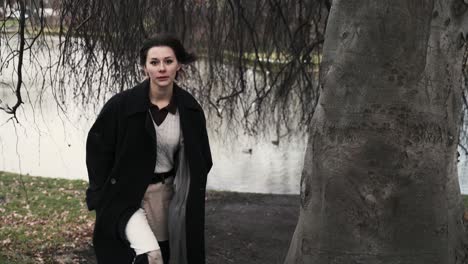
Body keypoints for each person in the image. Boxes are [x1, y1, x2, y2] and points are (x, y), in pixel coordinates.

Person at [85, 33, 213, 264]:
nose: (161, 68)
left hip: (168, 197)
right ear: (144, 68)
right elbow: (97, 150)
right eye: (154, 62)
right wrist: (99, 195)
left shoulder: (190, 110)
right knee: (150, 256)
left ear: (178, 65)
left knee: (167, 254)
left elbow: (203, 158)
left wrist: (190, 191)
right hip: (125, 197)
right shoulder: (121, 106)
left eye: (168, 61)